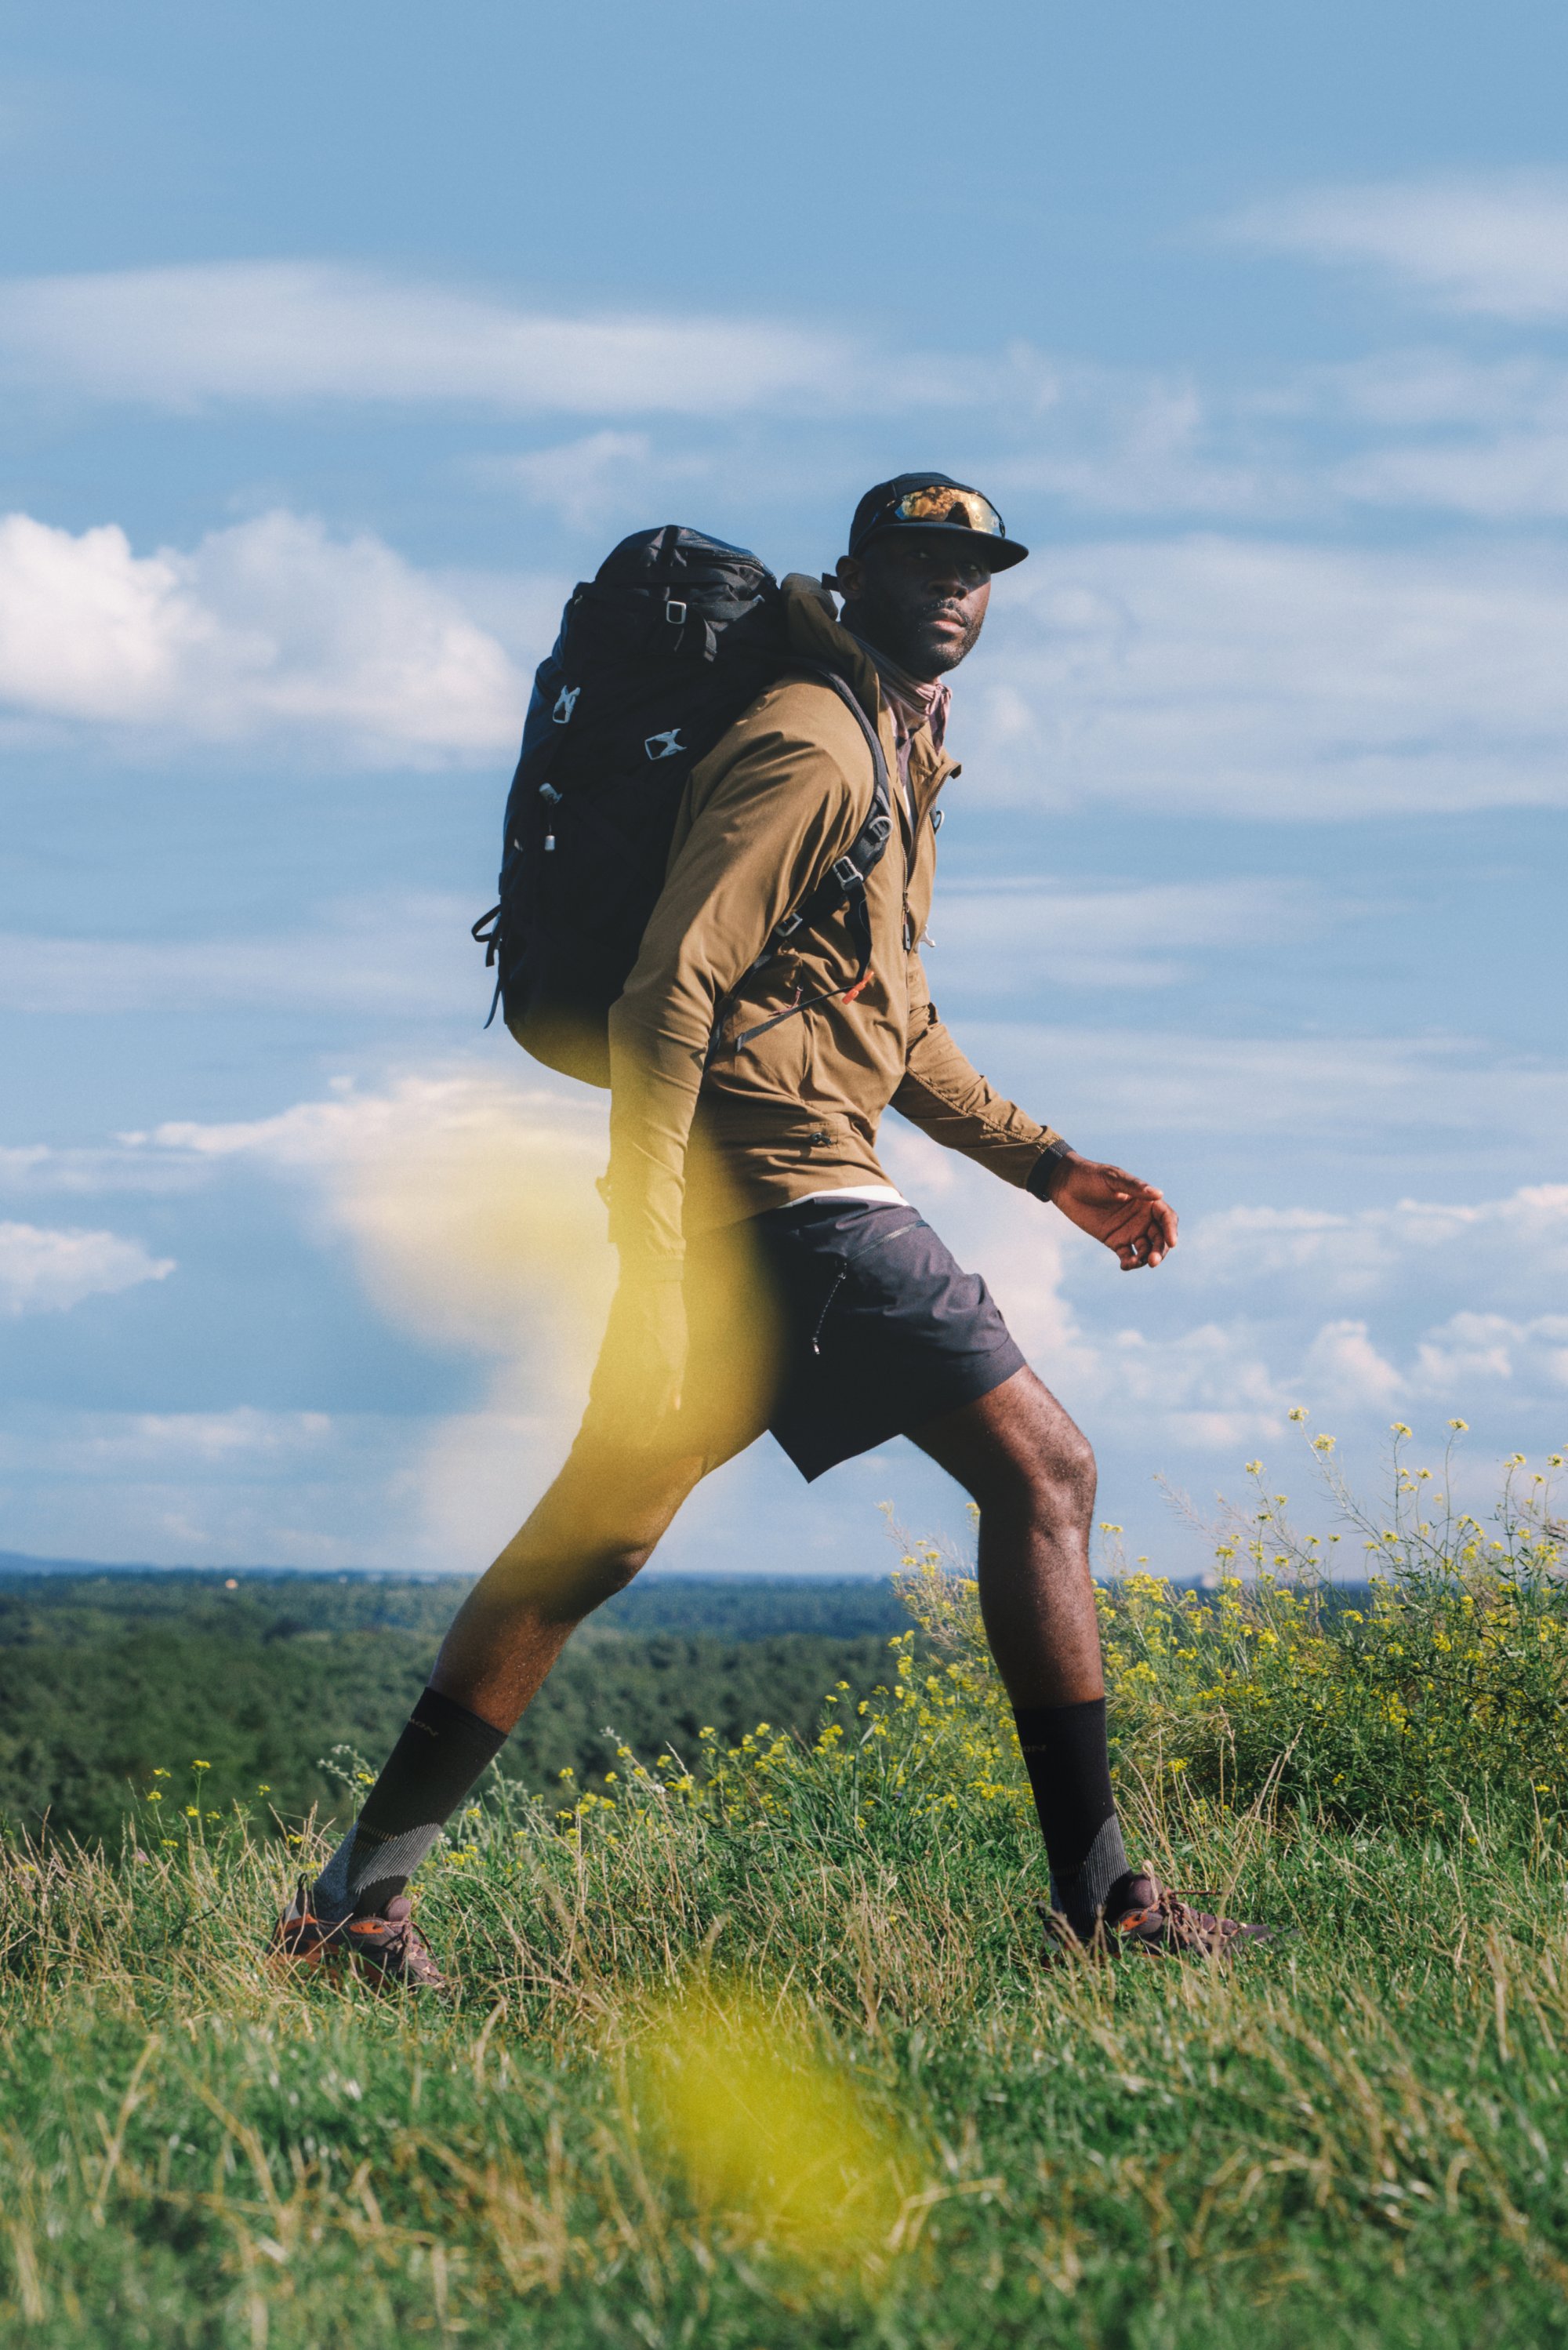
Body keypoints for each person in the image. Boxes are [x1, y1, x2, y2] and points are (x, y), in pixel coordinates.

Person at [274, 474, 1267, 1987]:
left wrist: (1051, 1166)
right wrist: (651, 1255)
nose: (953, 587)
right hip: (784, 1186)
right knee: (1047, 1470)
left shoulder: (895, 742)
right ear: (857, 570)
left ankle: (351, 1905)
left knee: (592, 1537)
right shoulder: (810, 739)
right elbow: (669, 989)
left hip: (768, 1182)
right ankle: (1105, 1905)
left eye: (976, 566)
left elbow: (895, 1023)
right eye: (922, 559)